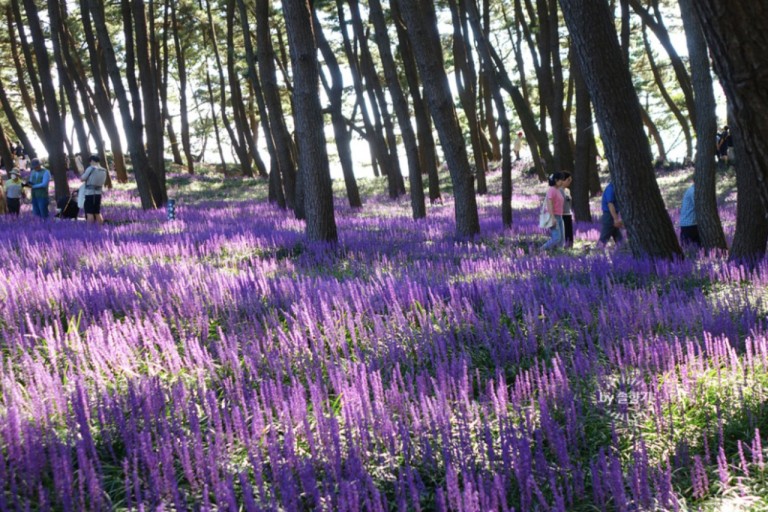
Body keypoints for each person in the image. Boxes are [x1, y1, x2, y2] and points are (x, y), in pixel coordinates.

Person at [541, 172, 566, 251]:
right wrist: (552, 218)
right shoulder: (552, 190)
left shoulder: (557, 190)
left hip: (559, 216)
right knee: (556, 238)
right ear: (556, 180)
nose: (562, 181)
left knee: (561, 239)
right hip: (554, 216)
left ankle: (559, 253)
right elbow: (549, 205)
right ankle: (541, 249)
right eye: (561, 180)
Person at [80, 154, 108, 224]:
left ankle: (90, 229)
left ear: (92, 161)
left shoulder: (91, 168)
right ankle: (100, 227)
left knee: (89, 212)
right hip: (98, 193)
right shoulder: (104, 170)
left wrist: (82, 173)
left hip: (90, 193)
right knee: (97, 212)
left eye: (90, 162)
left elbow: (82, 178)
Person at [598, 182, 623, 247]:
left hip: (612, 215)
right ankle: (598, 251)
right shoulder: (610, 189)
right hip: (609, 216)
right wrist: (616, 219)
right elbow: (610, 204)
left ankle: (622, 250)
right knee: (604, 238)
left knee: (619, 238)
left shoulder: (614, 188)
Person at [561, 172, 574, 247]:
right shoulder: (558, 190)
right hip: (562, 215)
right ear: (563, 180)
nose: (569, 182)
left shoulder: (567, 190)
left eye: (570, 180)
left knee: (569, 232)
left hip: (568, 213)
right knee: (564, 232)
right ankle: (564, 246)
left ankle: (570, 246)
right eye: (568, 180)